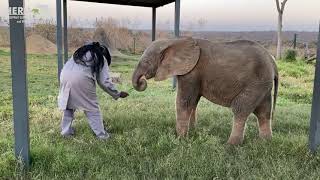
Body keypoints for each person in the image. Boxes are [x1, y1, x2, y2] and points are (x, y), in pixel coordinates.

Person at [58, 42, 129, 140]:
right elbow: (104, 82)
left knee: (68, 106)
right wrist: (117, 93)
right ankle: (102, 135)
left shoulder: (79, 53)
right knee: (92, 108)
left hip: (64, 76)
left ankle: (65, 132)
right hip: (81, 79)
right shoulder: (100, 57)